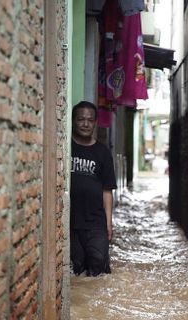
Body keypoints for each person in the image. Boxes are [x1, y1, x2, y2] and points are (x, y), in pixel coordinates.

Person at [70, 101, 117, 276]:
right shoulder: (66, 147)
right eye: (81, 119)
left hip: (96, 222)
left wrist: (108, 223)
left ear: (96, 122)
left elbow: (107, 190)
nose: (85, 124)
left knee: (98, 264)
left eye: (90, 120)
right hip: (71, 221)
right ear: (74, 121)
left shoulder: (102, 152)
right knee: (77, 267)